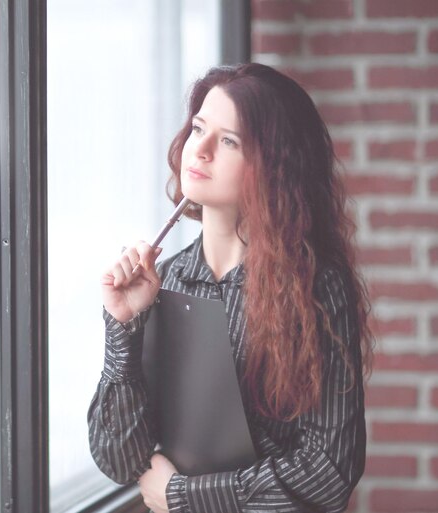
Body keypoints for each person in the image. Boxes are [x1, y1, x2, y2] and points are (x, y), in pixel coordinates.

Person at [87, 62, 373, 513]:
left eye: (228, 140)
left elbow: (330, 470)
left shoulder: (315, 287)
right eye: (198, 127)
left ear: (272, 166)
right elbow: (119, 460)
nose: (197, 150)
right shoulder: (166, 280)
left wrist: (185, 495)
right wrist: (122, 326)